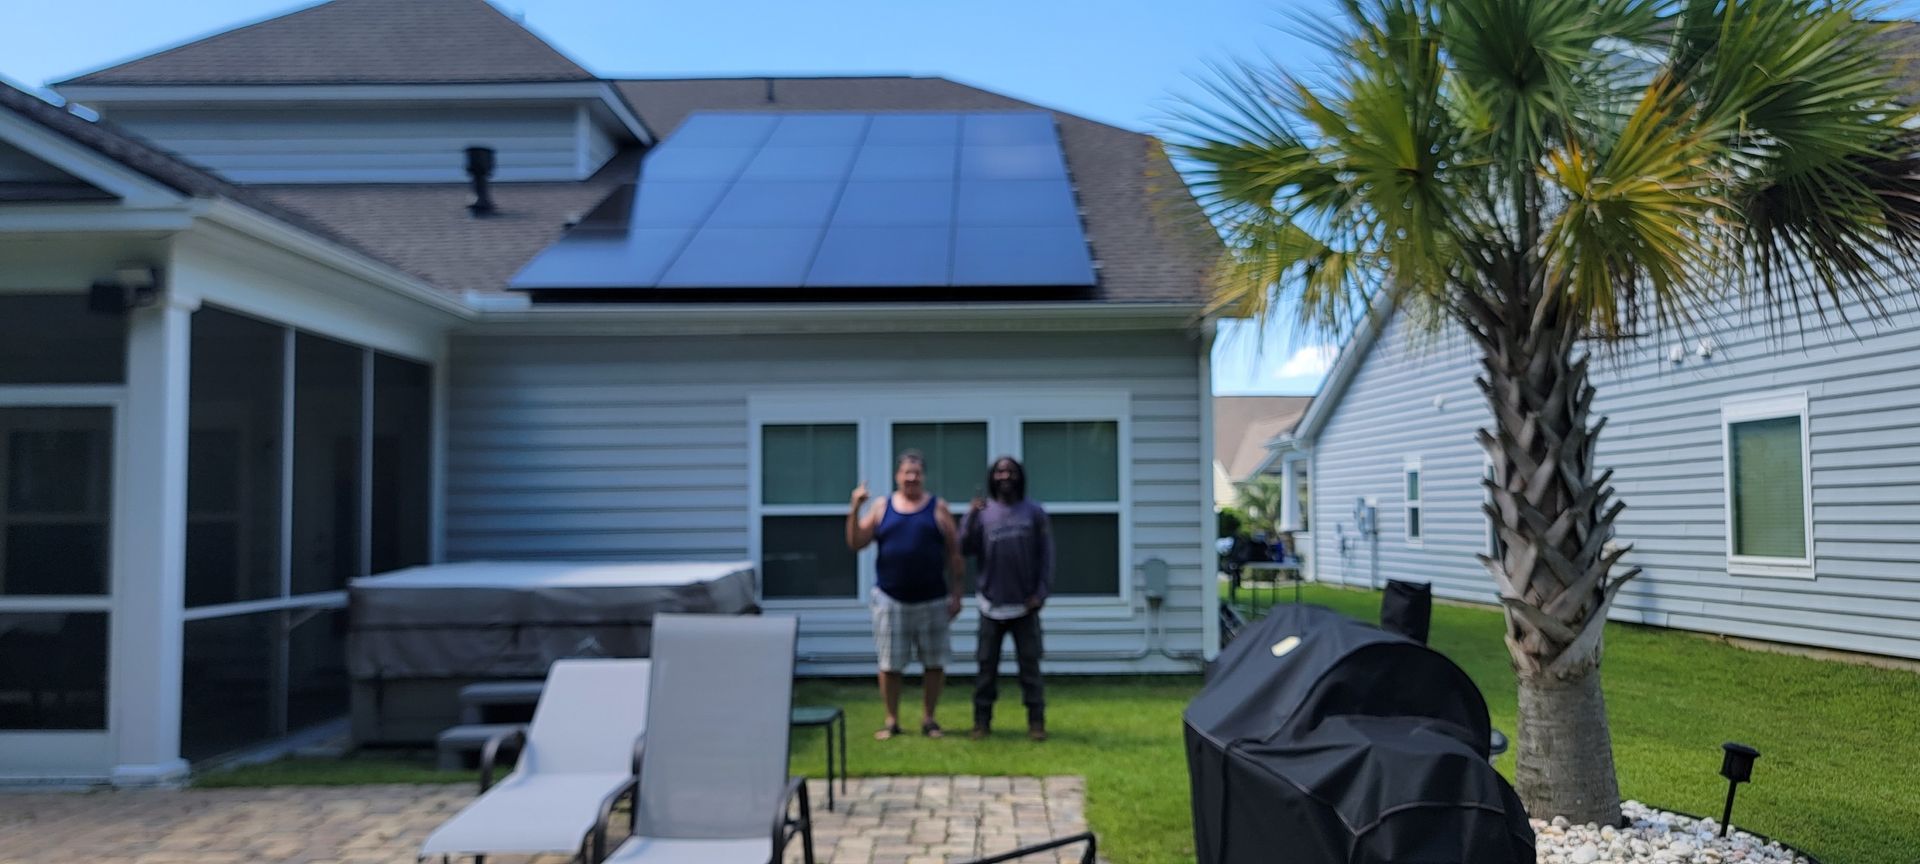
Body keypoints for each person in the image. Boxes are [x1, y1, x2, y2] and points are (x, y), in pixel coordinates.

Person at [846, 450, 965, 739]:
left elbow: (954, 553)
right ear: (897, 476)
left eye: (916, 472)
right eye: (906, 472)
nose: (911, 477)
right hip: (890, 598)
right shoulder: (881, 507)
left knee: (934, 662)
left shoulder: (938, 508)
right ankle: (891, 720)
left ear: (923, 476)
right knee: (890, 664)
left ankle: (929, 719)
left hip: (933, 598)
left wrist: (957, 594)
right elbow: (856, 543)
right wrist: (854, 508)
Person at [962, 456, 1053, 741]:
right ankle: (981, 722)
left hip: (1025, 605)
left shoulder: (1034, 512)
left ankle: (1036, 723)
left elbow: (1047, 556)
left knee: (1030, 668)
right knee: (986, 668)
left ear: (1019, 476)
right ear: (992, 477)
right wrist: (971, 516)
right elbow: (963, 547)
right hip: (991, 604)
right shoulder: (984, 512)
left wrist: (1040, 592)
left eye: (1010, 471)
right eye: (1000, 471)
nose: (1005, 476)